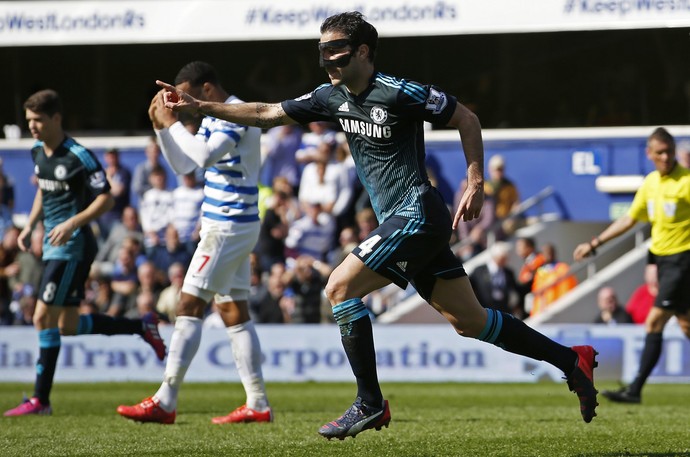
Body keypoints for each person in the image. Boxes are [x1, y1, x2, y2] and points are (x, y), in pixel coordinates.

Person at [155, 12, 598, 438]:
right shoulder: (330, 97)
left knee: (339, 288)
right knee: (471, 322)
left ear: (364, 52)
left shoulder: (400, 92)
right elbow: (265, 112)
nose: (328, 59)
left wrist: (475, 181)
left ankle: (370, 402)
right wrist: (202, 107)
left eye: (337, 51)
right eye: (322, 51)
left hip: (419, 212)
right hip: (401, 222)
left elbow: (467, 118)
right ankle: (570, 359)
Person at [117, 61, 272, 425]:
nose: (180, 102)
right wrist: (160, 128)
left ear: (205, 89)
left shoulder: (234, 113)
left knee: (188, 302)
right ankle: (258, 403)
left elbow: (202, 157)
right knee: (234, 311)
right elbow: (185, 167)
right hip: (232, 224)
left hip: (227, 226)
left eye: (184, 94)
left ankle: (166, 399)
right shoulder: (214, 118)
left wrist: (171, 124)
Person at [3, 89, 166, 417]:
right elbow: (44, 193)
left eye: (38, 120)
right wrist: (29, 225)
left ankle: (40, 400)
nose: (32, 127)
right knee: (66, 325)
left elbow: (104, 198)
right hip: (52, 244)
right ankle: (141, 327)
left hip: (73, 246)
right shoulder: (38, 151)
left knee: (41, 317)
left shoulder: (79, 155)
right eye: (29, 120)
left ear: (56, 119)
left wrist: (72, 223)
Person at [574, 126, 690, 404]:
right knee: (686, 325)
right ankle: (635, 388)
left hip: (683, 260)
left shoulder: (686, 181)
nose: (665, 157)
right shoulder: (650, 183)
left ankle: (635, 389)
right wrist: (594, 244)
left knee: (654, 322)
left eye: (670, 152)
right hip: (663, 261)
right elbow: (629, 219)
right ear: (649, 154)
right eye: (660, 152)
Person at [469, 241, 521, 317]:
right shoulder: (479, 271)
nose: (505, 261)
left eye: (506, 258)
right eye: (502, 258)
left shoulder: (508, 272)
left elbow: (515, 289)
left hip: (503, 312)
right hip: (484, 311)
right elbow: (470, 286)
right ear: (495, 257)